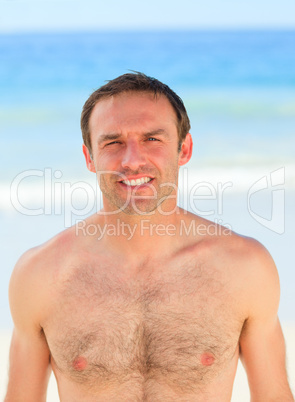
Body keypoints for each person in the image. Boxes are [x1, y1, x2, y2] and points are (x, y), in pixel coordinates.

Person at [5, 72, 294, 402]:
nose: (131, 160)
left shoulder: (245, 268)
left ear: (184, 149)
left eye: (152, 139)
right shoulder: (41, 275)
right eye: (112, 142)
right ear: (89, 157)